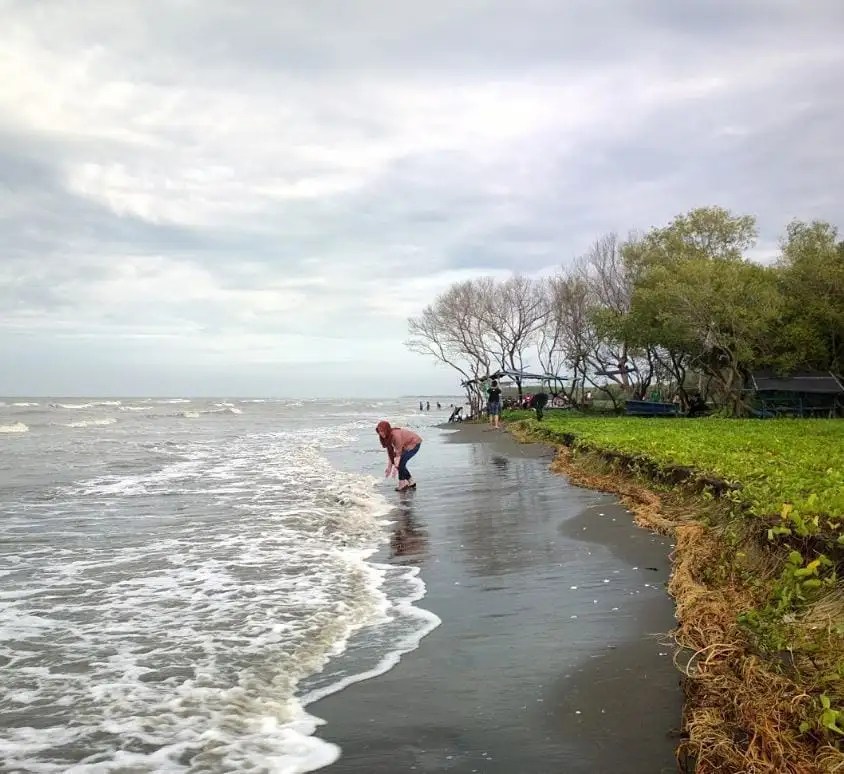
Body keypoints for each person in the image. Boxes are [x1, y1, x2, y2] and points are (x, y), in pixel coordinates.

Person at [377, 421, 422, 491]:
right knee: (400, 464)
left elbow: (398, 453)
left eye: (382, 431)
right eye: (379, 431)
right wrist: (389, 467)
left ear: (387, 430)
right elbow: (390, 452)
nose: (381, 433)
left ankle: (402, 484)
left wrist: (395, 468)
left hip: (414, 443)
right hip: (404, 444)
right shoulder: (386, 436)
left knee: (400, 464)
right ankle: (411, 482)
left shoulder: (395, 436)